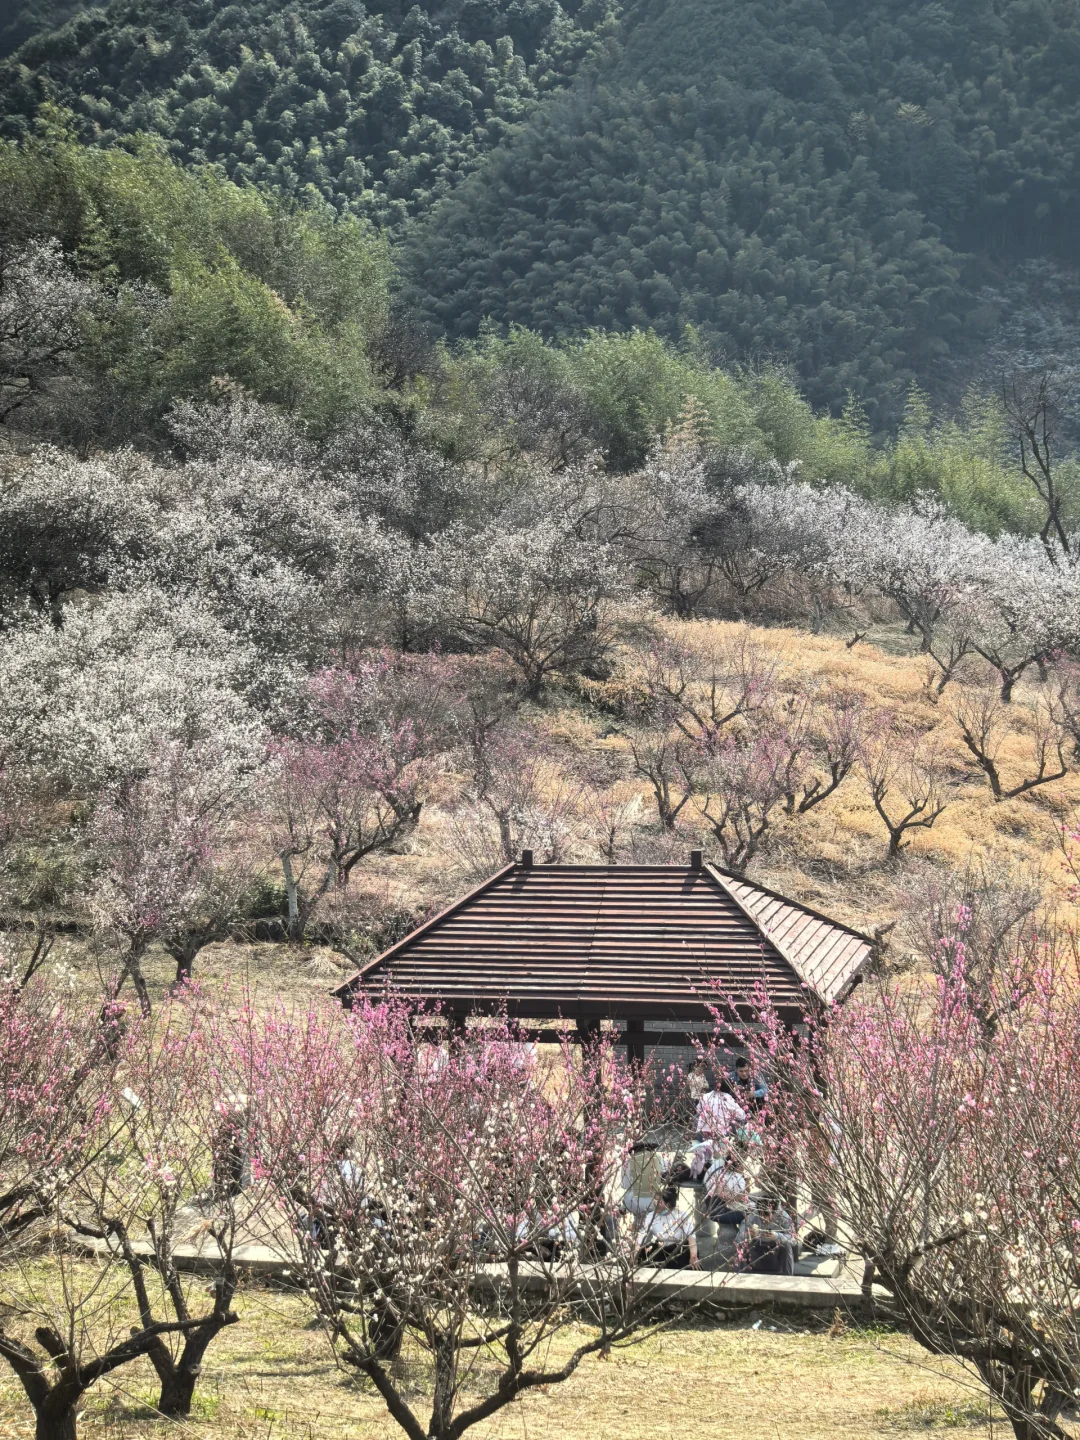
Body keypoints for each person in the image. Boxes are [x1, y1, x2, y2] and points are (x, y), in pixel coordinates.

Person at [635, 1184, 701, 1269]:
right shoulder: (651, 1216)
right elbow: (641, 1237)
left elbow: (691, 1237)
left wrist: (693, 1256)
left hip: (679, 1249)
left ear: (668, 1204)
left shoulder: (681, 1215)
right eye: (654, 1200)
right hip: (660, 1249)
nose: (655, 1203)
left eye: (659, 1201)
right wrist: (634, 1254)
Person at [736, 1192, 797, 1275]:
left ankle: (788, 1276)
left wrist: (777, 1236)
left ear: (775, 1212)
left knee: (786, 1246)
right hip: (756, 1251)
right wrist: (748, 1234)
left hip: (775, 1252)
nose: (764, 1218)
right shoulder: (753, 1216)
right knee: (743, 1246)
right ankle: (740, 1277)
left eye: (767, 1215)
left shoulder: (784, 1217)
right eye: (761, 1215)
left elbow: (793, 1240)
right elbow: (738, 1239)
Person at [702, 1150, 749, 1225]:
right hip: (718, 1205)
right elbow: (736, 1196)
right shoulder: (734, 1177)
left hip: (714, 1202)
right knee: (745, 1216)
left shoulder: (722, 1171)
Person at [695, 1077, 747, 1142]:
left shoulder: (705, 1096)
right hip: (718, 1136)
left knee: (697, 1116)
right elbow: (742, 1115)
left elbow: (698, 1110)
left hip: (701, 1135)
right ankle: (738, 1141)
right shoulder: (728, 1098)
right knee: (737, 1121)